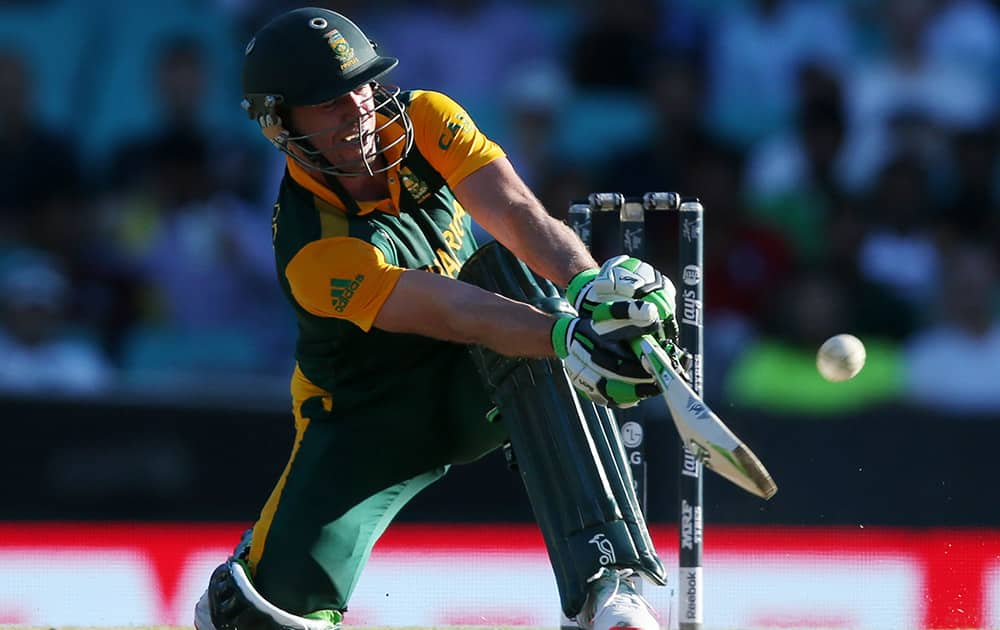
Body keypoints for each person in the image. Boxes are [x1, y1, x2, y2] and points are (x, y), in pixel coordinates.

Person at [194, 8, 682, 630]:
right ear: (280, 125)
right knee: (263, 616)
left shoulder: (427, 117)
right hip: (363, 418)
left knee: (524, 282)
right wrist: (568, 336)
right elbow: (448, 309)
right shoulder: (313, 248)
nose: (358, 110)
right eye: (327, 103)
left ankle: (607, 585)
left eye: (361, 87)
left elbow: (514, 211)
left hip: (472, 378)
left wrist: (594, 290)